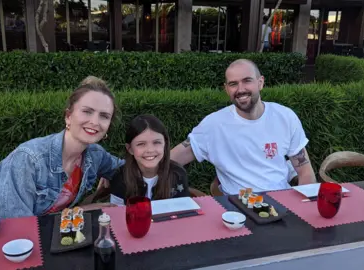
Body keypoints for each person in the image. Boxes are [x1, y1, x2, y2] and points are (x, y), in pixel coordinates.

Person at [0, 76, 124, 220]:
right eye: (87, 112)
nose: (95, 122)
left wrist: (138, 156)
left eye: (104, 116)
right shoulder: (28, 158)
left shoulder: (95, 155)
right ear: (68, 116)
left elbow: (127, 168)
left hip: (45, 233)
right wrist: (79, 210)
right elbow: (17, 225)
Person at [170, 59, 316, 195]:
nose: (240, 89)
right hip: (237, 209)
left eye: (247, 81)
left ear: (260, 83)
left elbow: (304, 171)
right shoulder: (213, 125)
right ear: (226, 89)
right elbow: (170, 160)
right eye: (233, 84)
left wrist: (305, 207)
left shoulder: (285, 117)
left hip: (282, 202)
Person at [109, 114, 190, 206]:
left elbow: (184, 210)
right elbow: (116, 212)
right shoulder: (120, 177)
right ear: (130, 149)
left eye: (156, 142)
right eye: (141, 144)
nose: (150, 150)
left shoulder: (178, 173)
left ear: (165, 145)